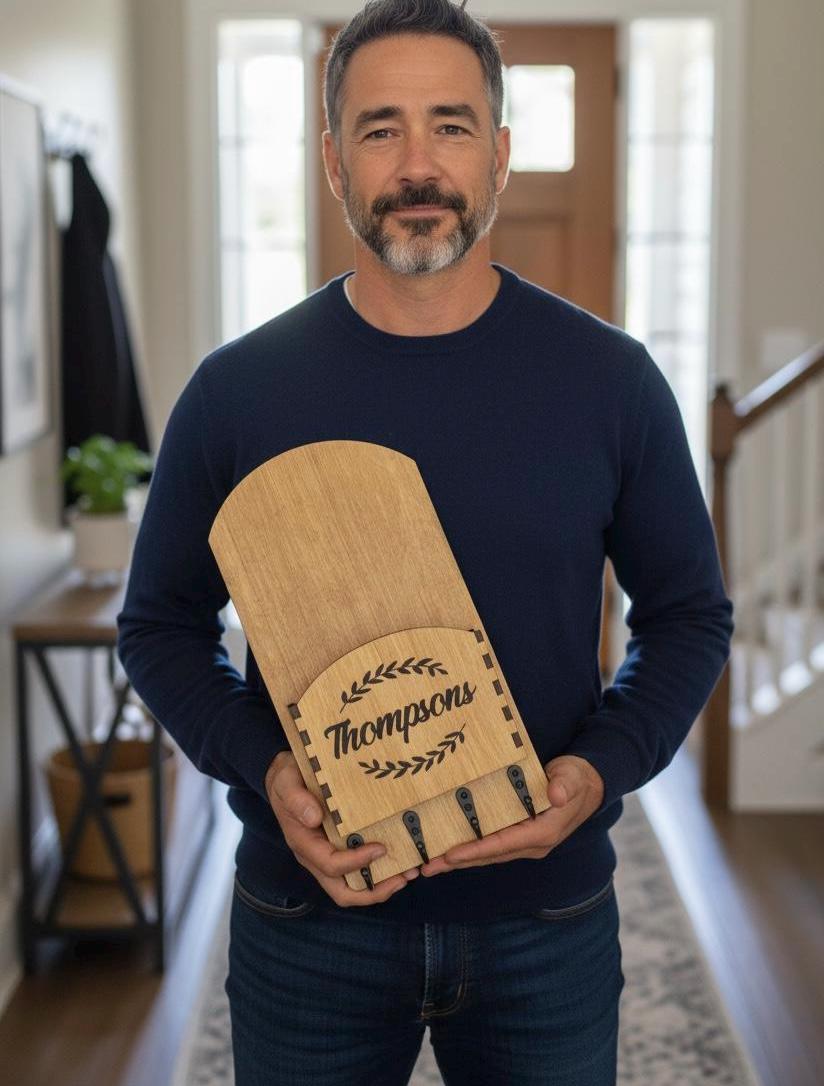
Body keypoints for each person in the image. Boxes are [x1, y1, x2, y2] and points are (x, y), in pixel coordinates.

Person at [116, 1, 734, 1082]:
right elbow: (159, 626)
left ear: (499, 154)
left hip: (544, 917)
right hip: (309, 918)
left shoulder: (611, 382)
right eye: (379, 128)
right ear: (332, 161)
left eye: (450, 125)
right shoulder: (236, 395)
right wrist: (266, 770)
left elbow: (688, 618)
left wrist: (598, 773)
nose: (416, 165)